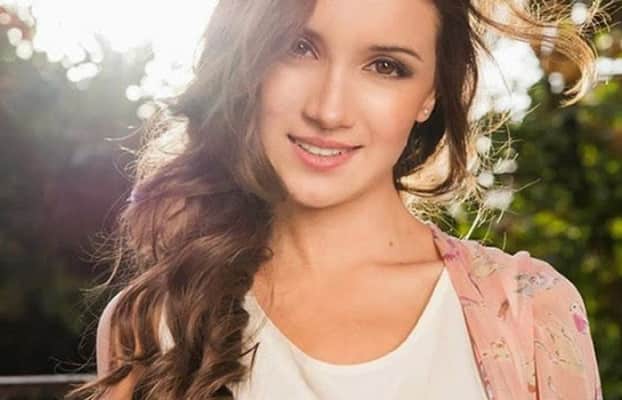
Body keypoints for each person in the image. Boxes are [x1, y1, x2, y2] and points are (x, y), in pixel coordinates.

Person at [68, 0, 606, 399]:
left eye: (385, 66)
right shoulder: (156, 321)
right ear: (249, 63)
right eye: (298, 48)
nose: (328, 110)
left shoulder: (529, 311)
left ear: (430, 94)